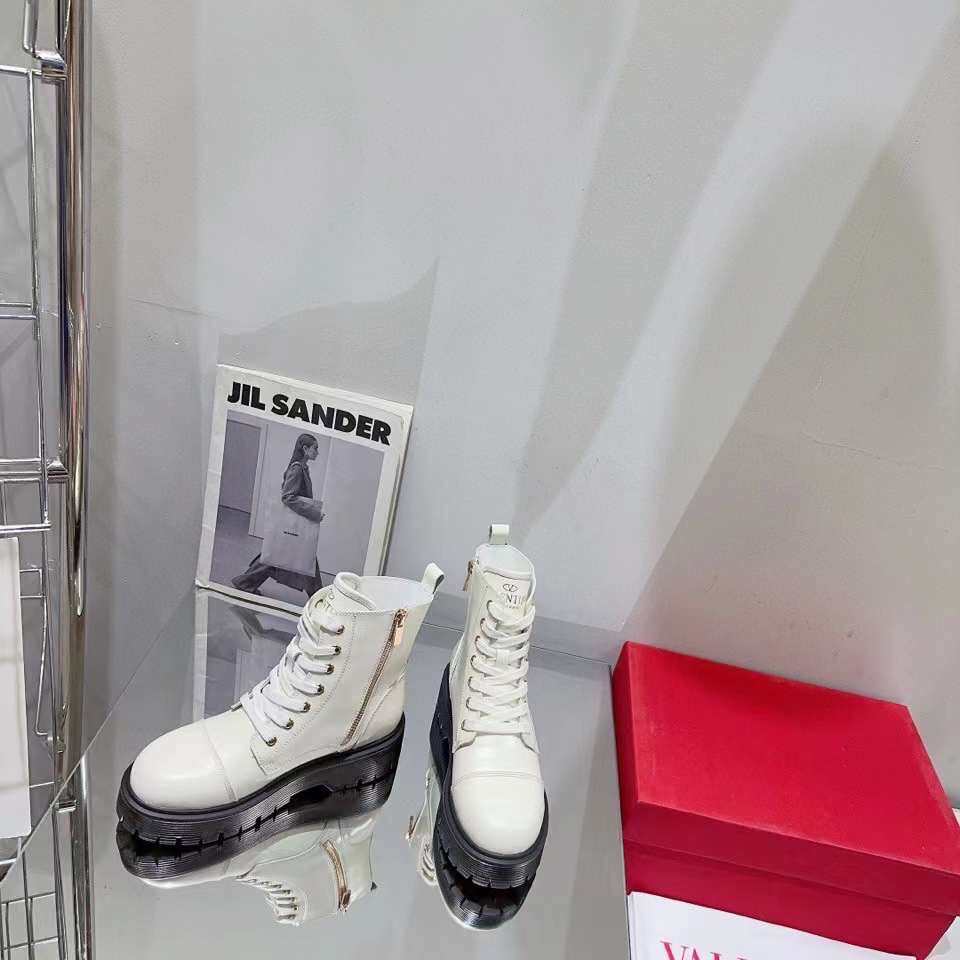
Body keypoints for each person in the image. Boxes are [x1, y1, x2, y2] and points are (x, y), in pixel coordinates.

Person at [232, 433, 325, 597]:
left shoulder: (302, 468)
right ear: (305, 449)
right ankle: (319, 600)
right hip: (296, 524)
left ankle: (245, 582)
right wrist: (314, 513)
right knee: (302, 559)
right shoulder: (297, 469)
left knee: (278, 556)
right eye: (315, 448)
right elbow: (287, 497)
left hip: (295, 524)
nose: (317, 452)